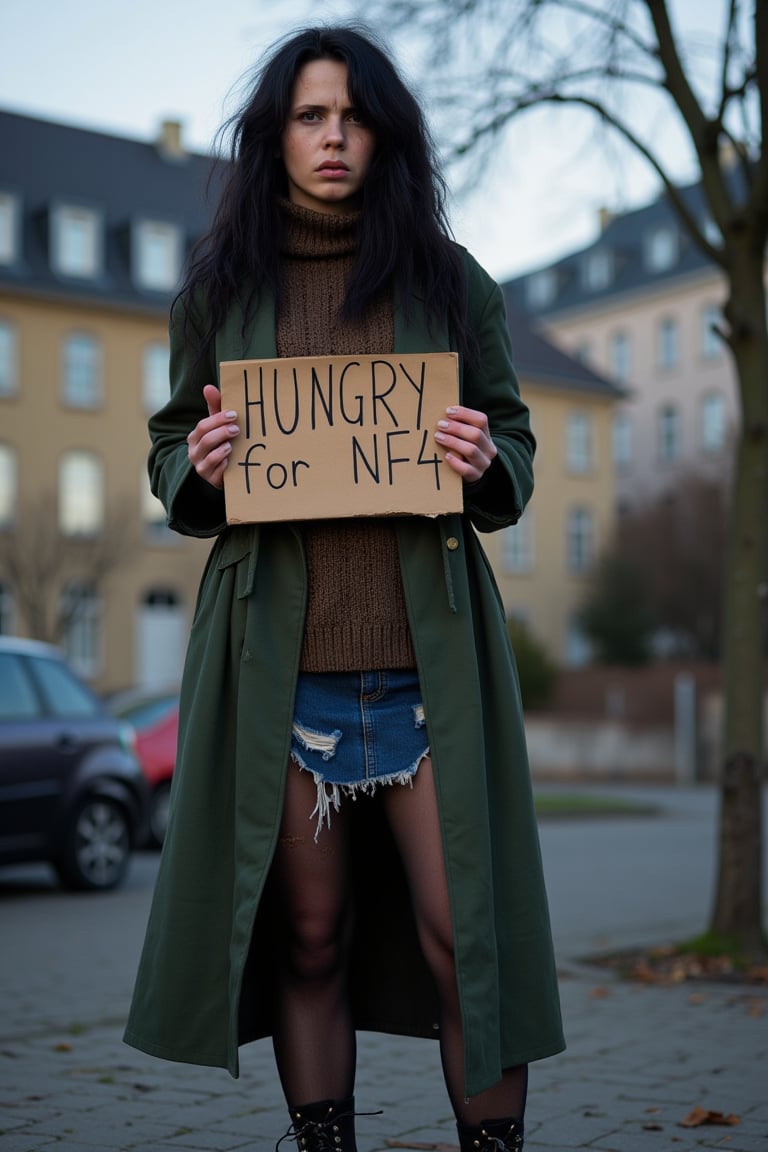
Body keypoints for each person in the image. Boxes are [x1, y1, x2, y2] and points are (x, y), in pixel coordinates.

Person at [124, 24, 564, 1152]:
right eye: (310, 116)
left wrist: (485, 459)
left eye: (353, 116)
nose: (332, 137)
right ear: (274, 137)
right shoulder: (219, 295)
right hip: (286, 674)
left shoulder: (451, 282)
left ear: (385, 134)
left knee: (462, 932)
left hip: (426, 674)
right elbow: (170, 456)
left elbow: (512, 446)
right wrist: (204, 470)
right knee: (308, 936)